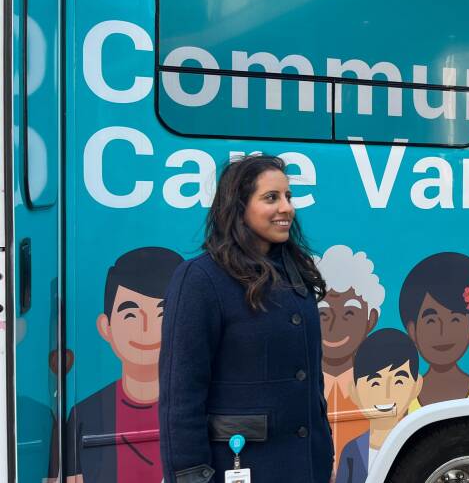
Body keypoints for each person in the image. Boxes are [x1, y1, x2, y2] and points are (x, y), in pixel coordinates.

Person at [159, 155, 334, 483]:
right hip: (240, 468)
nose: (286, 208)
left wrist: (323, 455)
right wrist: (192, 477)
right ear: (238, 206)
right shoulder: (200, 279)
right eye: (271, 198)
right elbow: (181, 396)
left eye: (288, 197)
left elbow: (310, 383)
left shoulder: (296, 274)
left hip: (306, 469)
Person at [63, 246, 183, 483]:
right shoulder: (83, 415)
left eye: (163, 314)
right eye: (131, 315)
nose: (147, 329)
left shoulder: (196, 403)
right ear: (105, 327)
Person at [314, 245, 385, 473]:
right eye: (323, 313)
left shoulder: (378, 388)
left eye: (349, 313)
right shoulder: (300, 384)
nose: (334, 327)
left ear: (370, 320)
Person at [398, 252, 469, 411]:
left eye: (455, 320)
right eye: (431, 321)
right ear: (412, 331)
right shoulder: (410, 393)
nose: (443, 332)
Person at [335, 329, 422, 483]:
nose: (387, 394)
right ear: (354, 391)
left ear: (416, 386)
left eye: (398, 381)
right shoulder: (351, 451)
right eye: (375, 383)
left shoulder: (417, 444)